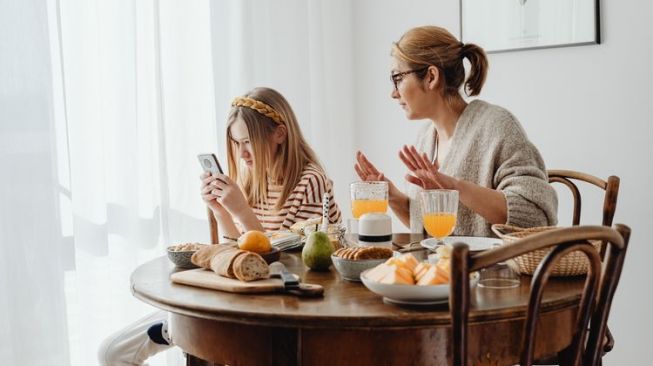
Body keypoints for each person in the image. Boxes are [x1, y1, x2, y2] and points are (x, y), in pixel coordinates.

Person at [98, 87, 341, 365]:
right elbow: (239, 256)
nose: (242, 154)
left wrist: (240, 209)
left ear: (280, 134)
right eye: (236, 144)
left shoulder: (309, 181)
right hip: (237, 299)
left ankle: (185, 328)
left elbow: (287, 269)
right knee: (111, 352)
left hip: (279, 311)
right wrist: (221, 211)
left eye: (248, 142)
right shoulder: (254, 177)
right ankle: (184, 326)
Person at [354, 26, 557, 237]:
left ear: (431, 77)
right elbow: (426, 230)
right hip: (442, 267)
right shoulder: (426, 138)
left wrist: (454, 187)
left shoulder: (497, 127)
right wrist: (392, 196)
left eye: (398, 78)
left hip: (495, 268)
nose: (393, 93)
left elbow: (535, 217)